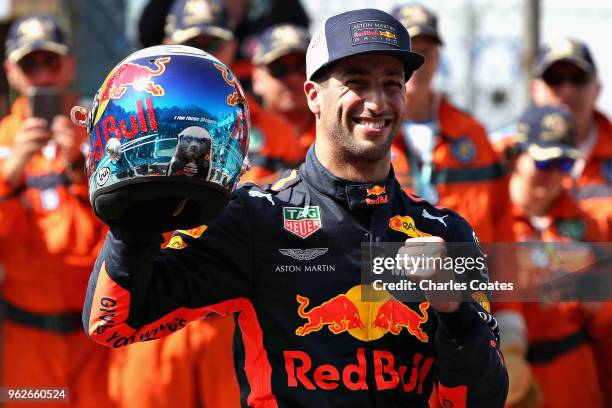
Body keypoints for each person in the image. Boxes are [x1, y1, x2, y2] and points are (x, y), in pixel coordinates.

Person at [83, 9, 508, 407]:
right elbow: (115, 322)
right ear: (313, 96)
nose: (377, 102)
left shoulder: (444, 231)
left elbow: (484, 399)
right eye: (356, 83)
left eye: (392, 83)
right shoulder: (256, 217)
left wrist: (456, 314)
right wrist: (134, 220)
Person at [490, 38, 612, 404]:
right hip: (514, 378)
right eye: (543, 162)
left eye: (562, 164)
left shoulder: (580, 219)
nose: (552, 175)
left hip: (579, 379)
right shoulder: (493, 222)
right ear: (516, 157)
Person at [0, 14, 112, 407]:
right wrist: (8, 179)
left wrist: (81, 170)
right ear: (10, 70)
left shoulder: (102, 134)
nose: (42, 74)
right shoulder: (1, 142)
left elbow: (127, 233)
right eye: (30, 64)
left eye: (51, 61)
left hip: (100, 344)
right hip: (29, 343)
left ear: (69, 64)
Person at [388, 3, 511, 243]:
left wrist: (502, 282)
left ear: (437, 58)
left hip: (467, 275)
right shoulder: (370, 131)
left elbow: (502, 221)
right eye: (410, 52)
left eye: (426, 52)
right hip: (391, 274)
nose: (418, 64)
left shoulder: (472, 132)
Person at [165, 0, 302, 184]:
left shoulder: (277, 132)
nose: (203, 55)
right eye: (192, 44)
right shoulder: (145, 116)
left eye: (214, 45)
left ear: (233, 46)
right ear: (167, 45)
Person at [251, 23, 315, 159]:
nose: (293, 78)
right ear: (257, 79)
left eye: (303, 67)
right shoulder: (238, 132)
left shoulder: (338, 133)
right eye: (278, 69)